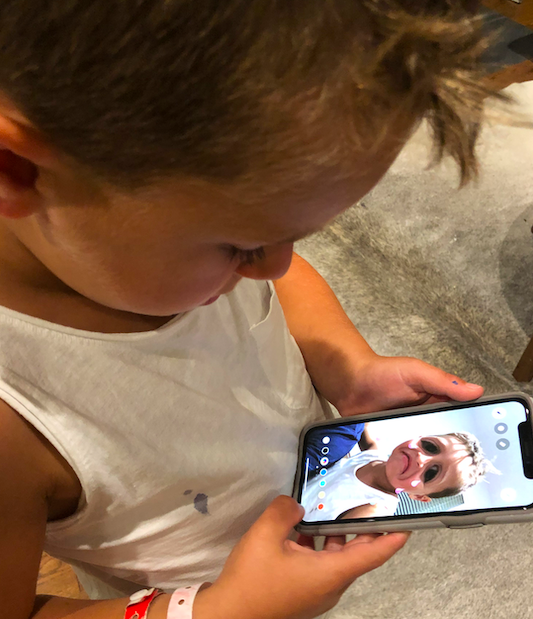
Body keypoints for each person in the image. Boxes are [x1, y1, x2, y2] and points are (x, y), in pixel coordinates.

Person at [0, 2, 492, 619]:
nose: (277, 267)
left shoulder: (163, 256)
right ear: (16, 169)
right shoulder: (13, 420)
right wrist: (220, 611)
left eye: (294, 236)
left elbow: (278, 290)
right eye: (243, 246)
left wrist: (348, 368)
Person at [302, 429, 490, 521]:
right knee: (353, 427)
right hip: (305, 476)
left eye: (431, 473)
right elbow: (368, 434)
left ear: (418, 496)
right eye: (429, 446)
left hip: (290, 507)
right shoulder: (376, 456)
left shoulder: (375, 509)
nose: (421, 459)